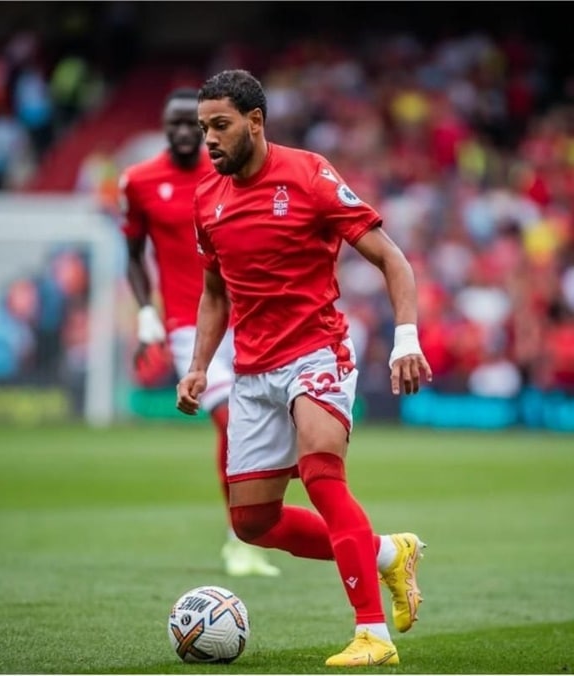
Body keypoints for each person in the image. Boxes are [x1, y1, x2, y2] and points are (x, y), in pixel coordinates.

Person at [177, 69, 431, 667]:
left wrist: (405, 339)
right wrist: (197, 365)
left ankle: (374, 635)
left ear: (255, 122)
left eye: (220, 126)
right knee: (252, 523)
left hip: (316, 354)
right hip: (252, 372)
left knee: (322, 477)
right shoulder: (206, 200)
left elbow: (392, 260)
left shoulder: (309, 174)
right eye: (203, 128)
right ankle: (389, 556)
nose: (208, 139)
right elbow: (215, 292)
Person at [119, 88, 279, 578]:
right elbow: (132, 254)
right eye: (177, 124)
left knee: (268, 428)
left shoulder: (228, 173)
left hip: (247, 316)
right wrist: (147, 314)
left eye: (196, 124)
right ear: (164, 128)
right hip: (189, 325)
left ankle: (250, 530)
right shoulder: (139, 182)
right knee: (231, 422)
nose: (187, 133)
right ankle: (241, 538)